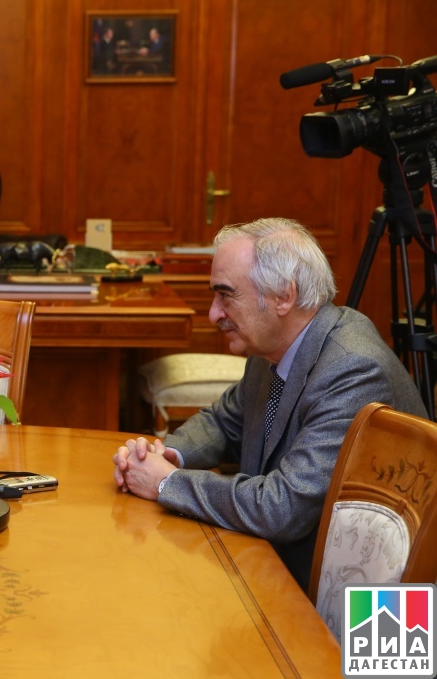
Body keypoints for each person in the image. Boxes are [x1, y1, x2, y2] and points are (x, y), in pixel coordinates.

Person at [112, 217, 426, 592]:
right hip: (284, 568)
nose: (214, 313)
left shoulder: (352, 368)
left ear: (283, 296)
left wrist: (167, 483)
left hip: (371, 609)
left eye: (226, 295)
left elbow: (282, 509)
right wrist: (167, 454)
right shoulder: (273, 349)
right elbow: (224, 421)